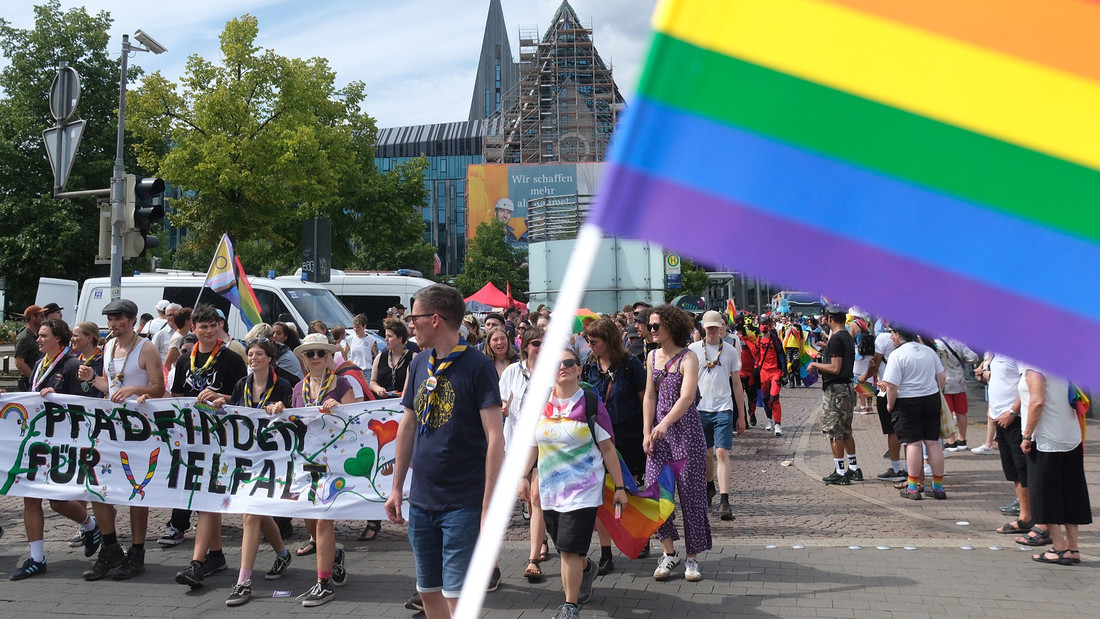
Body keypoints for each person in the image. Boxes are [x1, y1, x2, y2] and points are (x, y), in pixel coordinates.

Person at [385, 284, 505, 618]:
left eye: (414, 318)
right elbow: (407, 425)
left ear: (434, 319)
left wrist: (488, 506)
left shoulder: (478, 366)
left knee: (458, 596)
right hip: (422, 500)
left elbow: (496, 438)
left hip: (463, 502)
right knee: (428, 591)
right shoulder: (419, 361)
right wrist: (396, 488)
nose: (410, 325)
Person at [520, 349, 629, 619]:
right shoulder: (540, 403)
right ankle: (587, 568)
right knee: (566, 547)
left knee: (568, 548)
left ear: (579, 369)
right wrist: (523, 476)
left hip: (584, 489)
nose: (563, 367)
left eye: (569, 362)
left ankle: (570, 606)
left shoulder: (590, 403)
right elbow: (532, 445)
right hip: (550, 489)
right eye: (557, 364)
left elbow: (607, 448)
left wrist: (620, 487)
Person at [78, 299, 166, 581]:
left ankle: (137, 552)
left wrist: (135, 390)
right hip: (111, 427)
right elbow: (110, 385)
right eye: (110, 319)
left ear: (131, 320)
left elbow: (159, 388)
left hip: (139, 428)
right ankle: (110, 546)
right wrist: (93, 378)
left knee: (136, 489)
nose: (113, 324)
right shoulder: (108, 347)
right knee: (97, 486)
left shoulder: (146, 348)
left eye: (118, 319)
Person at [10, 318, 101, 581]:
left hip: (64, 444)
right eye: (38, 335)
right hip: (39, 441)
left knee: (59, 501)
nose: (38, 339)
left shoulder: (72, 365)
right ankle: (37, 558)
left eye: (43, 336)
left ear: (58, 339)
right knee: (29, 495)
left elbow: (84, 404)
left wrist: (59, 398)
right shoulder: (39, 365)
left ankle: (90, 525)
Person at [171, 304, 248, 588]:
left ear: (220, 327)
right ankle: (215, 555)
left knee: (207, 498)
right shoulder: (183, 361)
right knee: (204, 499)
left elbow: (242, 398)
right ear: (193, 329)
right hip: (192, 438)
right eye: (202, 326)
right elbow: (176, 396)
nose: (208, 330)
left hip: (221, 437)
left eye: (213, 325)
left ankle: (197, 563)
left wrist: (220, 397)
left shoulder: (231, 359)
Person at [215, 337, 295, 606]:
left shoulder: (282, 385)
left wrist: (281, 409)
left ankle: (243, 582)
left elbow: (293, 416)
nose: (254, 358)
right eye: (250, 354)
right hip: (249, 456)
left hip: (275, 457)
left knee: (253, 513)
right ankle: (281, 555)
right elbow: (237, 414)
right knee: (256, 513)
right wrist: (220, 405)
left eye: (259, 354)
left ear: (270, 358)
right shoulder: (242, 384)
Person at [643, 305, 711, 583]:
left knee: (691, 495)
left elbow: (687, 397)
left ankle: (692, 558)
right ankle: (669, 552)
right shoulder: (651, 357)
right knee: (658, 493)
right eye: (650, 325)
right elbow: (649, 396)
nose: (652, 330)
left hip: (686, 434)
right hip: (659, 436)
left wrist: (664, 423)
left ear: (671, 326)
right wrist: (647, 431)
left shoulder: (689, 357)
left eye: (657, 325)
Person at [291, 333, 356, 606]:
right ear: (304, 359)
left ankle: (323, 582)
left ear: (329, 357)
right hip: (308, 458)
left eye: (321, 353)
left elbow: (357, 419)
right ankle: (334, 554)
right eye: (310, 354)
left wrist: (340, 407)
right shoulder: (298, 388)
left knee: (323, 517)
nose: (316, 358)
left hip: (336, 458)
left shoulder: (341, 383)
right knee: (310, 516)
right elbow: (293, 422)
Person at [1019, 365, 1092, 565]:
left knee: (1044, 494)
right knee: (1071, 492)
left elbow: (1037, 401)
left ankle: (1059, 548)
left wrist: (1027, 436)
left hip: (1046, 440)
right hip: (1071, 436)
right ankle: (1073, 548)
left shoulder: (1033, 368)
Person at [500, 326, 551, 581]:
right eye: (535, 344)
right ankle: (541, 538)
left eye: (544, 344)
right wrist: (503, 407)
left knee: (536, 494)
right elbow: (502, 399)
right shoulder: (512, 371)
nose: (540, 349)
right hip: (519, 442)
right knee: (527, 497)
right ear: (526, 347)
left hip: (545, 442)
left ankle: (533, 556)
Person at [688, 311, 746, 520]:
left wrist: (741, 415)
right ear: (703, 328)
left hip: (724, 408)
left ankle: (724, 499)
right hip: (700, 408)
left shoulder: (730, 351)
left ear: (722, 327)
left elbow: (737, 384)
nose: (712, 331)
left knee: (721, 452)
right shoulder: (693, 350)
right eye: (709, 327)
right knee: (706, 453)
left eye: (716, 327)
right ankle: (709, 485)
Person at [880, 327, 947, 500]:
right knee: (933, 443)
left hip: (907, 401)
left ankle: (912, 487)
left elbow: (892, 386)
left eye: (892, 334)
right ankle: (938, 486)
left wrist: (890, 404)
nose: (891, 337)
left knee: (913, 444)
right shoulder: (929, 351)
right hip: (931, 398)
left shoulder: (897, 354)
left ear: (898, 335)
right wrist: (936, 390)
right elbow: (941, 377)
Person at [807, 305, 861, 485]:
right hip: (846, 387)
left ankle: (840, 472)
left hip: (836, 391)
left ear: (830, 319)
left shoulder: (837, 339)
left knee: (834, 432)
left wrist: (815, 365)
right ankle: (853, 468)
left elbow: (835, 368)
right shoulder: (847, 337)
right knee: (846, 431)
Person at [857, 316, 905, 481]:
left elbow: (874, 364)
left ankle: (896, 468)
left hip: (887, 389)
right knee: (909, 431)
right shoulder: (917, 341)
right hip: (910, 391)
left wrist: (864, 377)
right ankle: (917, 469)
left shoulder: (884, 338)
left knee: (893, 431)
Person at [937, 336, 980, 451]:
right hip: (959, 381)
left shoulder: (937, 344)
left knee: (948, 412)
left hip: (944, 381)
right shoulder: (959, 343)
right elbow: (974, 357)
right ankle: (962, 439)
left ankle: (951, 441)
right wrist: (962, 360)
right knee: (961, 412)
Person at [754, 315, 787, 436]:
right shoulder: (758, 340)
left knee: (774, 399)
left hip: (775, 372)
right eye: (762, 324)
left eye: (766, 324)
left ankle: (778, 424)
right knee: (765, 399)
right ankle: (769, 419)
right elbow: (756, 355)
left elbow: (781, 355)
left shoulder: (775, 340)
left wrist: (784, 372)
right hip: (763, 373)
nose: (764, 326)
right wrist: (756, 368)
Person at [370, 318, 416, 399]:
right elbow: (372, 382)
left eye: (390, 336)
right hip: (383, 405)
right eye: (385, 336)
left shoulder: (413, 357)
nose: (386, 339)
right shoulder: (380, 357)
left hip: (404, 404)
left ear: (400, 338)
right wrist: (378, 389)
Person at [14, 305, 44, 391]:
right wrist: (34, 378)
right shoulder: (24, 337)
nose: (44, 318)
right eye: (41, 316)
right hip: (27, 381)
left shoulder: (38, 334)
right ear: (33, 317)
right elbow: (19, 362)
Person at [71, 321, 104, 398]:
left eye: (76, 336)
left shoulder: (103, 360)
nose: (72, 339)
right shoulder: (74, 361)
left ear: (89, 338)